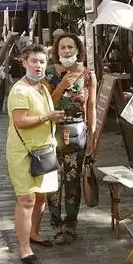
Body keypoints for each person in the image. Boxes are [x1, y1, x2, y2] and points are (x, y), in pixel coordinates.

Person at [6, 44, 65, 264]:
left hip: (43, 150)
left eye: (42, 61)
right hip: (23, 152)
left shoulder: (42, 87)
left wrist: (51, 117)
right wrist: (46, 117)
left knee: (41, 196)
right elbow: (20, 121)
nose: (38, 65)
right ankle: (24, 248)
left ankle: (33, 233)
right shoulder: (20, 90)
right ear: (24, 62)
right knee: (27, 198)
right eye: (34, 61)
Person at [45, 33, 97, 244]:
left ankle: (71, 224)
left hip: (77, 135)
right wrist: (61, 86)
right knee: (54, 181)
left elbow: (91, 108)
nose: (67, 51)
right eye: (63, 47)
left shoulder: (87, 75)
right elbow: (47, 103)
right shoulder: (48, 73)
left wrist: (92, 137)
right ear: (57, 51)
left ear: (78, 50)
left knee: (73, 181)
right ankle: (56, 224)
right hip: (52, 134)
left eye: (71, 47)